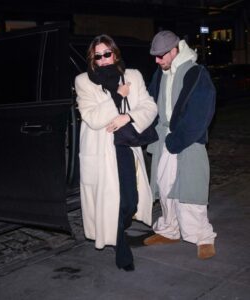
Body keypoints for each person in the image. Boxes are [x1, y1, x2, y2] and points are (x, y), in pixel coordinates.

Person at [74, 34, 157, 271]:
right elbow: (92, 118)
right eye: (97, 56)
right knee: (111, 202)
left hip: (126, 146)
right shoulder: (83, 81)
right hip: (101, 152)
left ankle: (120, 230)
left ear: (115, 53)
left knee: (130, 202)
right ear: (92, 58)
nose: (103, 60)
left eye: (107, 54)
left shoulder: (133, 76)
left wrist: (127, 117)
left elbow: (149, 106)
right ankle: (122, 249)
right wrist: (118, 96)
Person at [144, 30, 217, 259]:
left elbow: (202, 113)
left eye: (160, 56)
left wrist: (178, 140)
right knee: (165, 188)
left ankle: (203, 237)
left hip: (188, 140)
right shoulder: (161, 72)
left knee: (190, 188)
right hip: (165, 139)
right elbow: (151, 101)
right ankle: (169, 229)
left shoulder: (196, 73)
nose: (157, 61)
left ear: (174, 50)